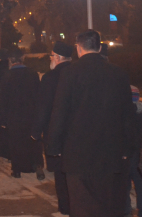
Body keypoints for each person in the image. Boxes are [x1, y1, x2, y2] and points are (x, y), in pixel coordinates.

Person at [48, 30, 135, 217]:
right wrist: (128, 148)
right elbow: (127, 114)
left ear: (78, 49)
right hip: (110, 152)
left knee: (82, 204)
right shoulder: (118, 74)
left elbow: (60, 112)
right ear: (99, 47)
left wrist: (53, 146)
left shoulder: (70, 73)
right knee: (107, 204)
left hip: (78, 154)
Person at [30, 41, 73, 215]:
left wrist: (36, 131)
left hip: (55, 131)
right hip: (77, 132)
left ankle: (65, 206)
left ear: (57, 58)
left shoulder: (50, 77)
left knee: (60, 173)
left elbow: (44, 107)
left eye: (51, 56)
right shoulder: (77, 73)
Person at [0, 48, 43, 179]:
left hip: (14, 116)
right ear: (22, 59)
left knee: (16, 143)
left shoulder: (7, 76)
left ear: (11, 61)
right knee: (33, 141)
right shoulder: (32, 74)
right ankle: (37, 165)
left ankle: (17, 169)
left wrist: (2, 119)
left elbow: (3, 99)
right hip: (31, 115)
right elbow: (39, 96)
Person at [126, 85, 142, 216]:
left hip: (125, 150)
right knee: (137, 177)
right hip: (137, 151)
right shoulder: (140, 111)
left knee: (125, 178)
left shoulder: (125, 113)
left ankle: (125, 208)